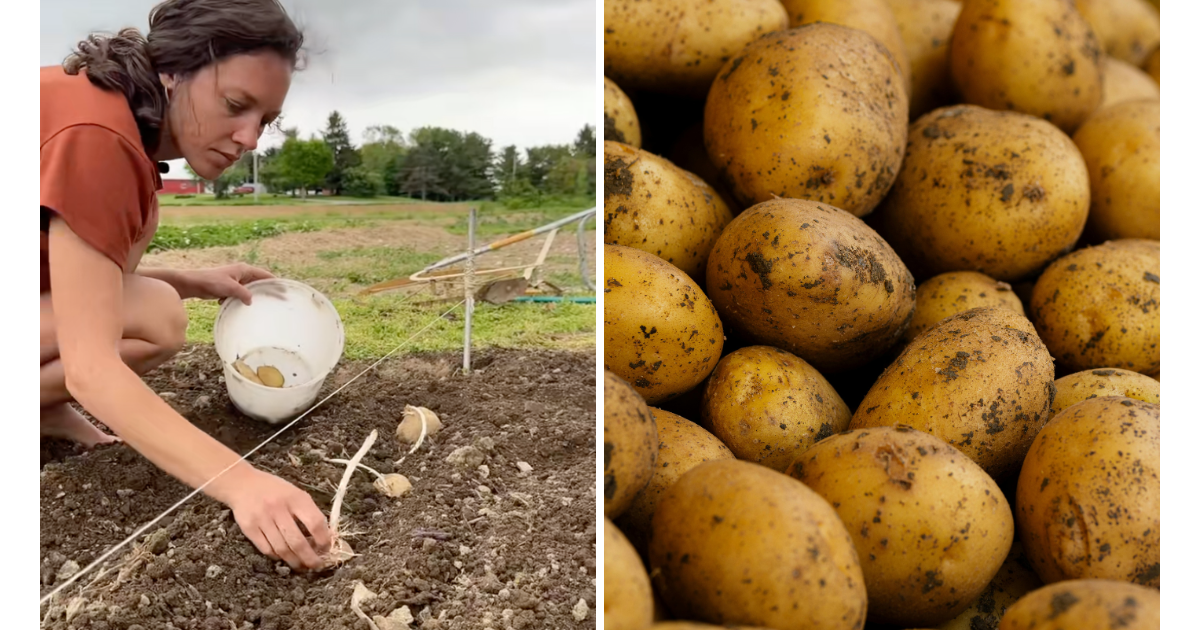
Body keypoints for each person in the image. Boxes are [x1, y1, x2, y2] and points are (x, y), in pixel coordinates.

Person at [41, 0, 332, 571]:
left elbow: (78, 281)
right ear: (173, 71)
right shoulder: (98, 134)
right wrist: (244, 484)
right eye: (236, 105)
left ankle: (39, 409)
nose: (250, 137)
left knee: (160, 306)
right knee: (156, 315)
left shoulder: (116, 121)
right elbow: (90, 367)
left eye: (266, 120)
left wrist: (189, 279)